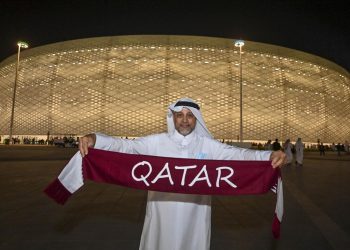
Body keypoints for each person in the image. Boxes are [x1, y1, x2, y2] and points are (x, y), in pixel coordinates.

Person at [79, 97, 286, 250]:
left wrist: (269, 156)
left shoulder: (209, 146)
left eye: (190, 116)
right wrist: (95, 139)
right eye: (180, 115)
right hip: (161, 217)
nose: (185, 120)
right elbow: (125, 147)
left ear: (196, 119)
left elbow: (239, 155)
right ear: (173, 118)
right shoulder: (156, 143)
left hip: (195, 219)